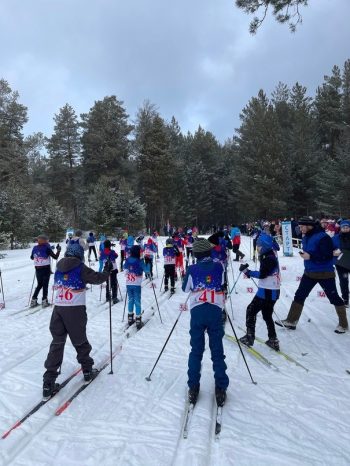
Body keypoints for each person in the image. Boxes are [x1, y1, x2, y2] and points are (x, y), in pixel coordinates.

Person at [42, 242, 111, 399]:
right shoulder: (80, 267)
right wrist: (106, 271)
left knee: (57, 343)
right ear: (79, 254)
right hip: (74, 310)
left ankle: (48, 382)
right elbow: (97, 278)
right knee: (79, 340)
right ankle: (87, 370)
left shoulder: (59, 266)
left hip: (58, 310)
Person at [277, 216, 348, 334]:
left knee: (334, 297)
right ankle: (291, 321)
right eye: (299, 227)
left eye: (302, 226)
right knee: (299, 295)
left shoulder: (323, 237)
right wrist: (306, 255)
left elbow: (327, 255)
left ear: (309, 226)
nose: (300, 229)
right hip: (309, 272)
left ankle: (343, 324)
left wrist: (310, 256)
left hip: (325, 273)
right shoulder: (306, 236)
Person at [182, 238, 229, 407]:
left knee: (196, 350)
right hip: (215, 310)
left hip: (198, 312)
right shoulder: (219, 266)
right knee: (217, 350)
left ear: (195, 254)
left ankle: (193, 386)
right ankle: (221, 386)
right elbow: (222, 284)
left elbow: (185, 288)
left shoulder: (192, 268)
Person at [238, 233, 281, 350]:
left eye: (259, 246)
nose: (257, 248)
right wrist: (248, 271)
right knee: (267, 314)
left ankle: (249, 337)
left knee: (251, 310)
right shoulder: (269, 254)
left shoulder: (269, 258)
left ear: (265, 246)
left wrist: (248, 272)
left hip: (268, 291)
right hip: (272, 290)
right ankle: (273, 339)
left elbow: (262, 274)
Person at [30, 235, 61, 308]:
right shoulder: (47, 248)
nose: (48, 241)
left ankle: (33, 300)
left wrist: (38, 256)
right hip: (45, 268)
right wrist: (58, 250)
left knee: (39, 284)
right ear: (44, 241)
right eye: (47, 240)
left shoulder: (35, 248)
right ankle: (44, 301)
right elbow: (55, 257)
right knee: (45, 285)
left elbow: (31, 257)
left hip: (37, 268)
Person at [124, 245, 146, 329]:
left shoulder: (127, 260)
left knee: (130, 300)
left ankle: (130, 317)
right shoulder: (140, 261)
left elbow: (125, 271)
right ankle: (138, 320)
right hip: (136, 284)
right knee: (137, 301)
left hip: (129, 283)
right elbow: (147, 270)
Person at [333, 219, 350, 307]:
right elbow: (330, 249)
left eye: (347, 227)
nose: (346, 229)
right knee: (344, 281)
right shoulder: (335, 238)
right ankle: (345, 299)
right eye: (344, 227)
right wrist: (334, 252)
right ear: (341, 228)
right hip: (341, 264)